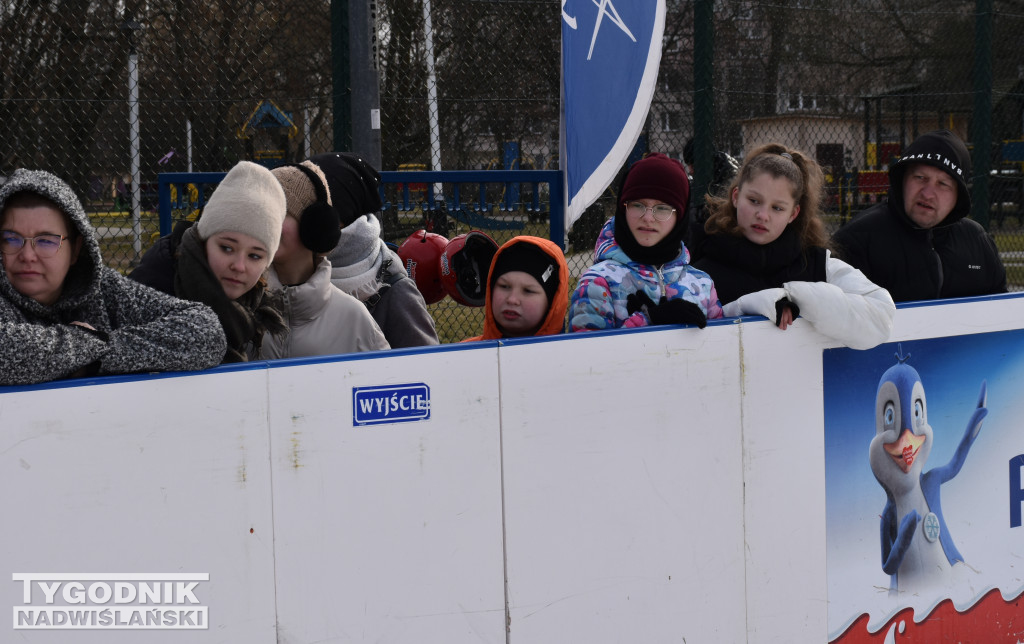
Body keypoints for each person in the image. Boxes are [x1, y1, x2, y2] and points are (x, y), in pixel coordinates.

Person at [0, 169, 227, 385]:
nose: (27, 255)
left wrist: (102, 353)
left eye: (46, 241)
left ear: (76, 249)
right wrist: (84, 343)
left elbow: (206, 332)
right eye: (11, 238)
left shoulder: (103, 289)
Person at [691, 143, 895, 350]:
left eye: (777, 208)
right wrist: (755, 304)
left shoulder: (819, 265)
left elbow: (880, 319)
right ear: (736, 197)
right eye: (754, 200)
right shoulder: (699, 271)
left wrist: (796, 296)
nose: (763, 215)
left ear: (793, 214)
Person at [130, 160, 287, 362]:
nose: (238, 266)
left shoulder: (256, 309)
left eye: (254, 256)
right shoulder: (148, 295)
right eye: (227, 248)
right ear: (203, 240)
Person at [832, 130, 1007, 302]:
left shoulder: (977, 241)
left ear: (958, 196)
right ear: (903, 180)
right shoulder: (856, 240)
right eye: (920, 177)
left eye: (943, 184)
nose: (928, 193)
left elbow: (1003, 314)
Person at [569, 153, 723, 331]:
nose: (648, 218)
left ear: (680, 217)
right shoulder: (598, 283)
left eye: (662, 208)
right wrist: (650, 320)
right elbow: (588, 355)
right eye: (637, 205)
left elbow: (723, 346)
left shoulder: (701, 284)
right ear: (623, 208)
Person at [309, 152, 440, 348]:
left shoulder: (395, 292)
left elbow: (425, 367)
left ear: (344, 213)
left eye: (315, 211)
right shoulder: (293, 275)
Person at [259, 161, 390, 358]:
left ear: (314, 225)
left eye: (279, 212)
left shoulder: (353, 318)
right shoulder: (241, 310)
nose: (266, 222)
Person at [463, 236, 568, 341]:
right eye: (504, 286)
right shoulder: (465, 354)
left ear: (551, 301)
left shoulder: (568, 355)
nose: (512, 299)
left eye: (528, 291)